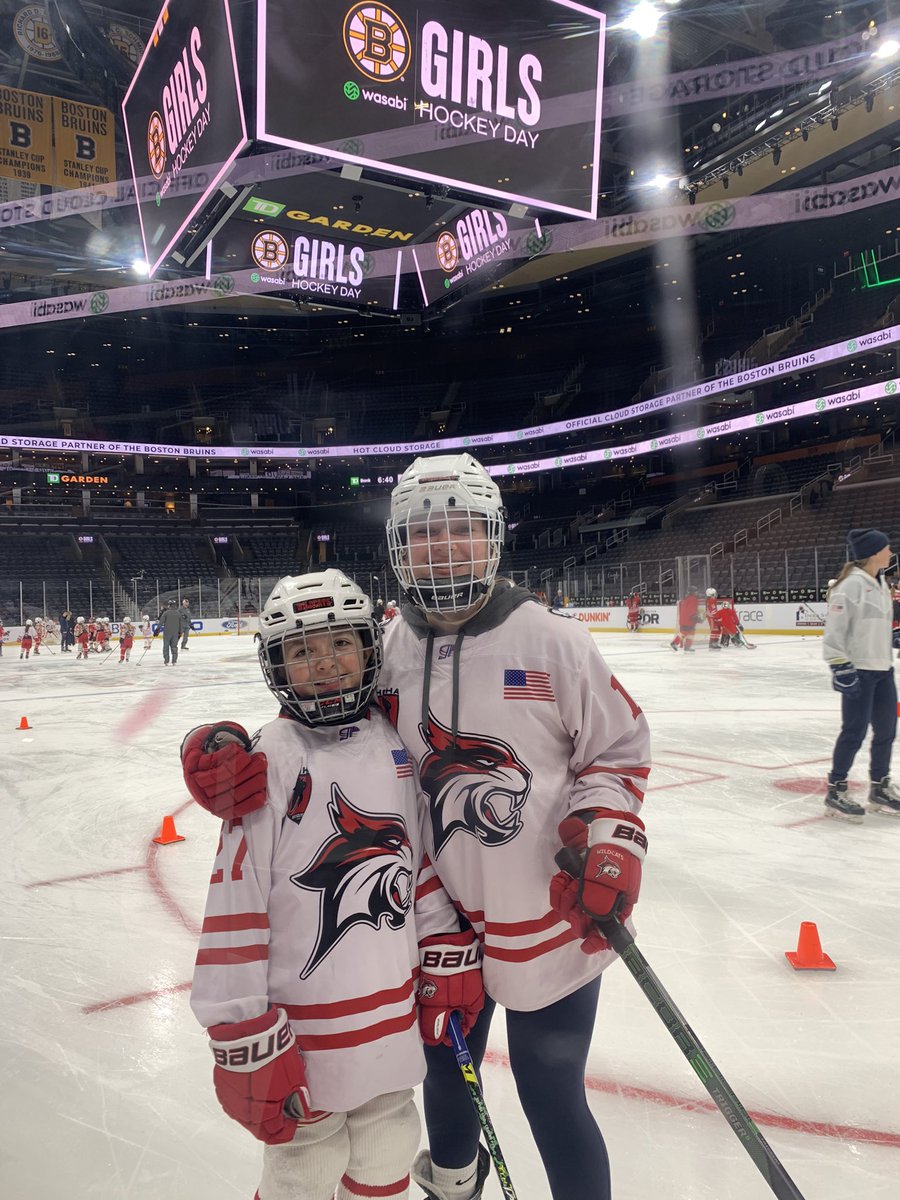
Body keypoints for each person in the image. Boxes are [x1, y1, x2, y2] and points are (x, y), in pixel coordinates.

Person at [183, 456, 652, 1200]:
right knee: (443, 1079)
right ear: (400, 548)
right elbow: (328, 727)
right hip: (428, 930)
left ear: (493, 538)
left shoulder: (556, 643)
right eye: (426, 536)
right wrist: (218, 750)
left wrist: (609, 834)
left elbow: (618, 753)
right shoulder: (389, 643)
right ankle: (454, 1184)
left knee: (552, 1092)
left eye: (461, 532)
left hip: (544, 916)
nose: (444, 551)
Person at [183, 570, 481, 1200]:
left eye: (340, 643)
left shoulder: (394, 745)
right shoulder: (267, 761)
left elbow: (417, 862)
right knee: (305, 1169)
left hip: (389, 1016)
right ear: (276, 664)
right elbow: (235, 907)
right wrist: (239, 1027)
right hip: (302, 1034)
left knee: (389, 1144)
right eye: (300, 650)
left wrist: (445, 954)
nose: (322, 663)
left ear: (371, 647)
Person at [823, 528, 900, 821]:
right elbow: (834, 631)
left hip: (883, 670)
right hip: (859, 671)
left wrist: (893, 637)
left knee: (887, 731)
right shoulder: (851, 586)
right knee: (854, 732)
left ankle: (879, 787)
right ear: (872, 552)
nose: (891, 552)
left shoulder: (880, 583)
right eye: (886, 547)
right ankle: (836, 790)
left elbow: (873, 625)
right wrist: (839, 665)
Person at [159, 600, 182, 664]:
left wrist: (157, 629)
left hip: (167, 633)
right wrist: (180, 632)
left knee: (166, 647)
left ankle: (166, 660)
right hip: (175, 633)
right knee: (174, 646)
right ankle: (174, 661)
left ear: (169, 605)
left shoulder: (166, 613)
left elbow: (161, 622)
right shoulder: (178, 613)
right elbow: (181, 624)